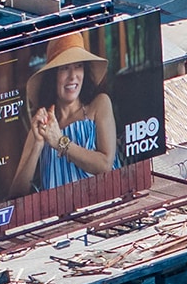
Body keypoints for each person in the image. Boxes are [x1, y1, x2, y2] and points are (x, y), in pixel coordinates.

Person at [11, 31, 120, 196]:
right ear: (53, 76)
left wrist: (60, 142)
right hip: (58, 211)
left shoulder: (99, 105)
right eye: (65, 68)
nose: (73, 76)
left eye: (78, 66)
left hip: (103, 204)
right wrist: (38, 145)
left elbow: (105, 165)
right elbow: (16, 194)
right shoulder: (43, 124)